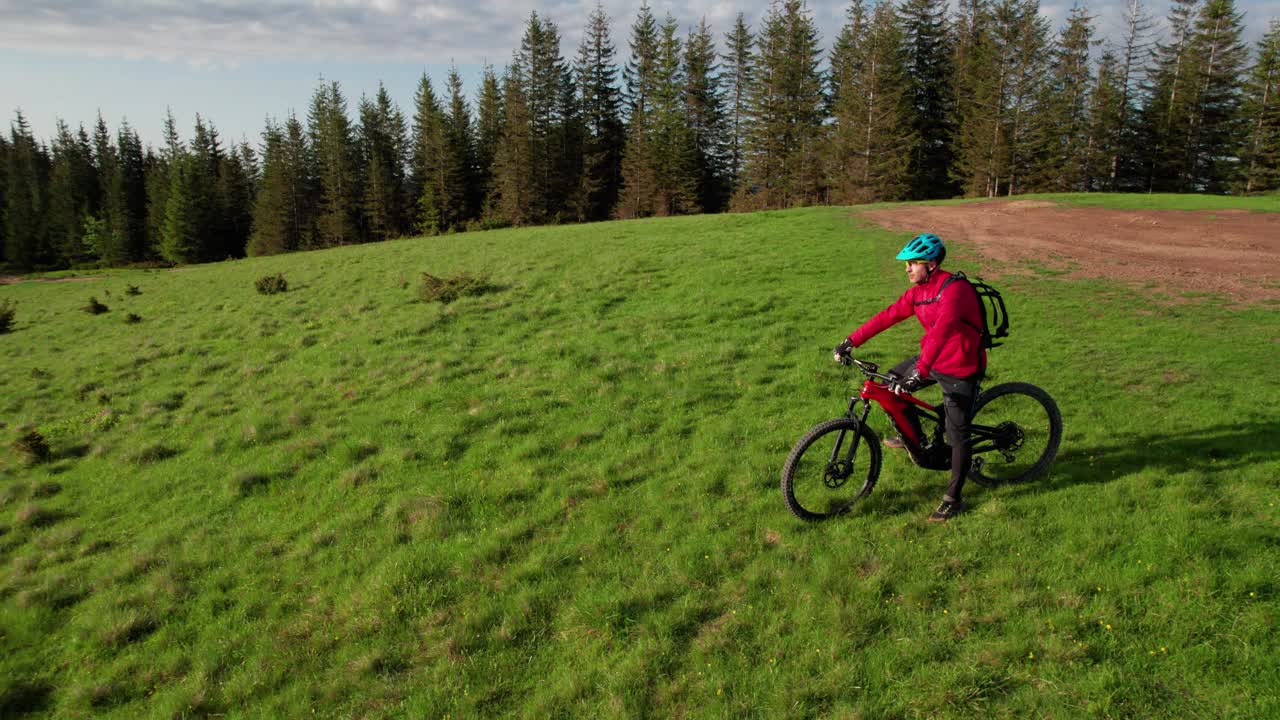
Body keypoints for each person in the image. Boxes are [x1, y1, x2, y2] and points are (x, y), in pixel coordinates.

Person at [832, 233, 986, 522]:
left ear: (931, 264)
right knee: (891, 382)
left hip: (960, 366)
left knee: (958, 435)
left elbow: (942, 331)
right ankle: (915, 438)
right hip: (933, 357)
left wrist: (921, 374)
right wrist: (851, 340)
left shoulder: (954, 290)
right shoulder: (918, 291)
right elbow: (888, 315)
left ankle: (953, 498)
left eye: (912, 263)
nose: (907, 268)